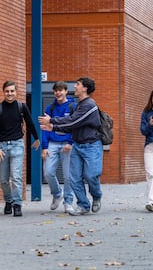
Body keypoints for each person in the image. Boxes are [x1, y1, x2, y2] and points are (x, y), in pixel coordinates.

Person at [38, 77, 103, 216]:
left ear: (85, 88)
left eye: (78, 84)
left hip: (91, 146)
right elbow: (72, 128)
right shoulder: (78, 105)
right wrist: (53, 128)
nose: (75, 86)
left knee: (91, 175)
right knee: (74, 178)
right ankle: (84, 205)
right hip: (78, 145)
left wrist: (52, 121)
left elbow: (73, 121)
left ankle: (96, 196)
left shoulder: (90, 105)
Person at [0, 80, 40, 217]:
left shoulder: (21, 107)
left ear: (16, 92)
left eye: (12, 91)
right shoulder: (0, 108)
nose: (9, 94)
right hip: (2, 147)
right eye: (7, 91)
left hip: (17, 145)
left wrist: (37, 138)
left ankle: (17, 204)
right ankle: (9, 201)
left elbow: (30, 123)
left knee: (16, 176)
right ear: (3, 92)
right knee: (3, 179)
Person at [41, 81, 76, 213]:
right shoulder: (49, 109)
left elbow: (75, 126)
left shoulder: (73, 106)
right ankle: (57, 194)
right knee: (48, 172)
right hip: (52, 144)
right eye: (56, 90)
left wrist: (70, 142)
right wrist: (44, 146)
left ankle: (68, 202)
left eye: (61, 90)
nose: (58, 93)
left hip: (67, 144)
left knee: (68, 176)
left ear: (66, 91)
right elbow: (44, 128)